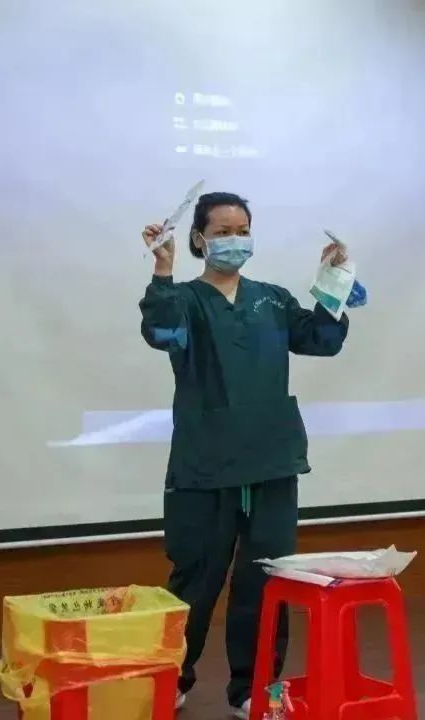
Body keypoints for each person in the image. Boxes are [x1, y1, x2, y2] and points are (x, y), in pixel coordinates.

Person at [139, 192, 350, 718]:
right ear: (199, 239)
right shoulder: (184, 299)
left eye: (242, 230)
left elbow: (322, 340)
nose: (234, 240)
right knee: (195, 579)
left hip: (271, 462)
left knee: (266, 580)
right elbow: (161, 332)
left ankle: (256, 689)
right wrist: (162, 269)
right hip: (205, 464)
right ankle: (170, 680)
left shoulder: (272, 300)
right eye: (222, 231)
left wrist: (333, 282)